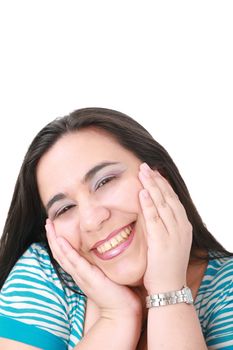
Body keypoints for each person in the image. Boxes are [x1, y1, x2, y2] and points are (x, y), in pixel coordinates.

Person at [0, 108, 232, 350]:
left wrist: (168, 289)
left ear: (159, 176)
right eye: (65, 208)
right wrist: (116, 316)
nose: (91, 220)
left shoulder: (227, 291)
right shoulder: (46, 273)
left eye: (105, 181)